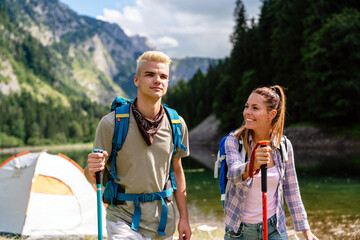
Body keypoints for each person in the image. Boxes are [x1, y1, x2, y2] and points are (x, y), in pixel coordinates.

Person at [84, 51, 192, 240]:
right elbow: (92, 176)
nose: (157, 80)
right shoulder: (112, 123)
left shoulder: (177, 124)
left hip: (163, 222)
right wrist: (91, 169)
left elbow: (177, 171)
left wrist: (184, 218)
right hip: (122, 220)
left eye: (163, 76)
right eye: (149, 75)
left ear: (167, 83)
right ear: (136, 80)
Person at [223, 85, 318, 240]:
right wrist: (251, 165)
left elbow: (291, 189)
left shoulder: (284, 145)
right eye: (247, 106)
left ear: (271, 114)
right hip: (238, 231)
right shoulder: (234, 141)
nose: (247, 112)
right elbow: (233, 175)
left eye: (255, 108)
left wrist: (305, 230)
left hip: (274, 228)